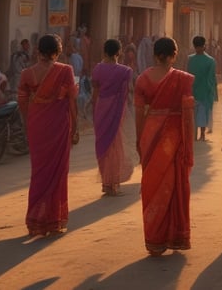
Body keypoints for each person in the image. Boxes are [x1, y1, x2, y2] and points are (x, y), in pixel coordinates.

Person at [134, 37, 194, 256]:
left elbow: (139, 114)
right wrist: (188, 141)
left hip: (151, 134)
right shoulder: (183, 79)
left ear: (154, 55)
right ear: (174, 55)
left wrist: (140, 140)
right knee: (174, 184)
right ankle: (174, 235)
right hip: (175, 134)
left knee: (152, 186)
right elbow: (188, 112)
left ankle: (155, 240)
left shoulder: (142, 79)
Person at [17, 34, 79, 238]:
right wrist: (76, 127)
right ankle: (52, 220)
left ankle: (35, 220)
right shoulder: (65, 70)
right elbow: (71, 101)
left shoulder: (27, 74)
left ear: (38, 51)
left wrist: (29, 125)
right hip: (59, 125)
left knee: (39, 173)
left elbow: (23, 104)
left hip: (37, 124)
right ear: (58, 51)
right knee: (57, 173)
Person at [91, 38, 135, 197]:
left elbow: (94, 93)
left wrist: (93, 112)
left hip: (100, 109)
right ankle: (113, 183)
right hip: (116, 111)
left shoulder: (97, 69)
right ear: (119, 52)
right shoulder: (125, 72)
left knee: (103, 145)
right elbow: (128, 93)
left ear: (104, 52)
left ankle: (106, 182)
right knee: (115, 146)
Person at [186, 35, 218, 142]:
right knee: (203, 114)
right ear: (204, 46)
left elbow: (187, 74)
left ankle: (195, 135)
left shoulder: (190, 59)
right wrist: (212, 92)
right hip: (204, 91)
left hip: (193, 90)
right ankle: (202, 134)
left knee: (194, 114)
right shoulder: (211, 61)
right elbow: (212, 79)